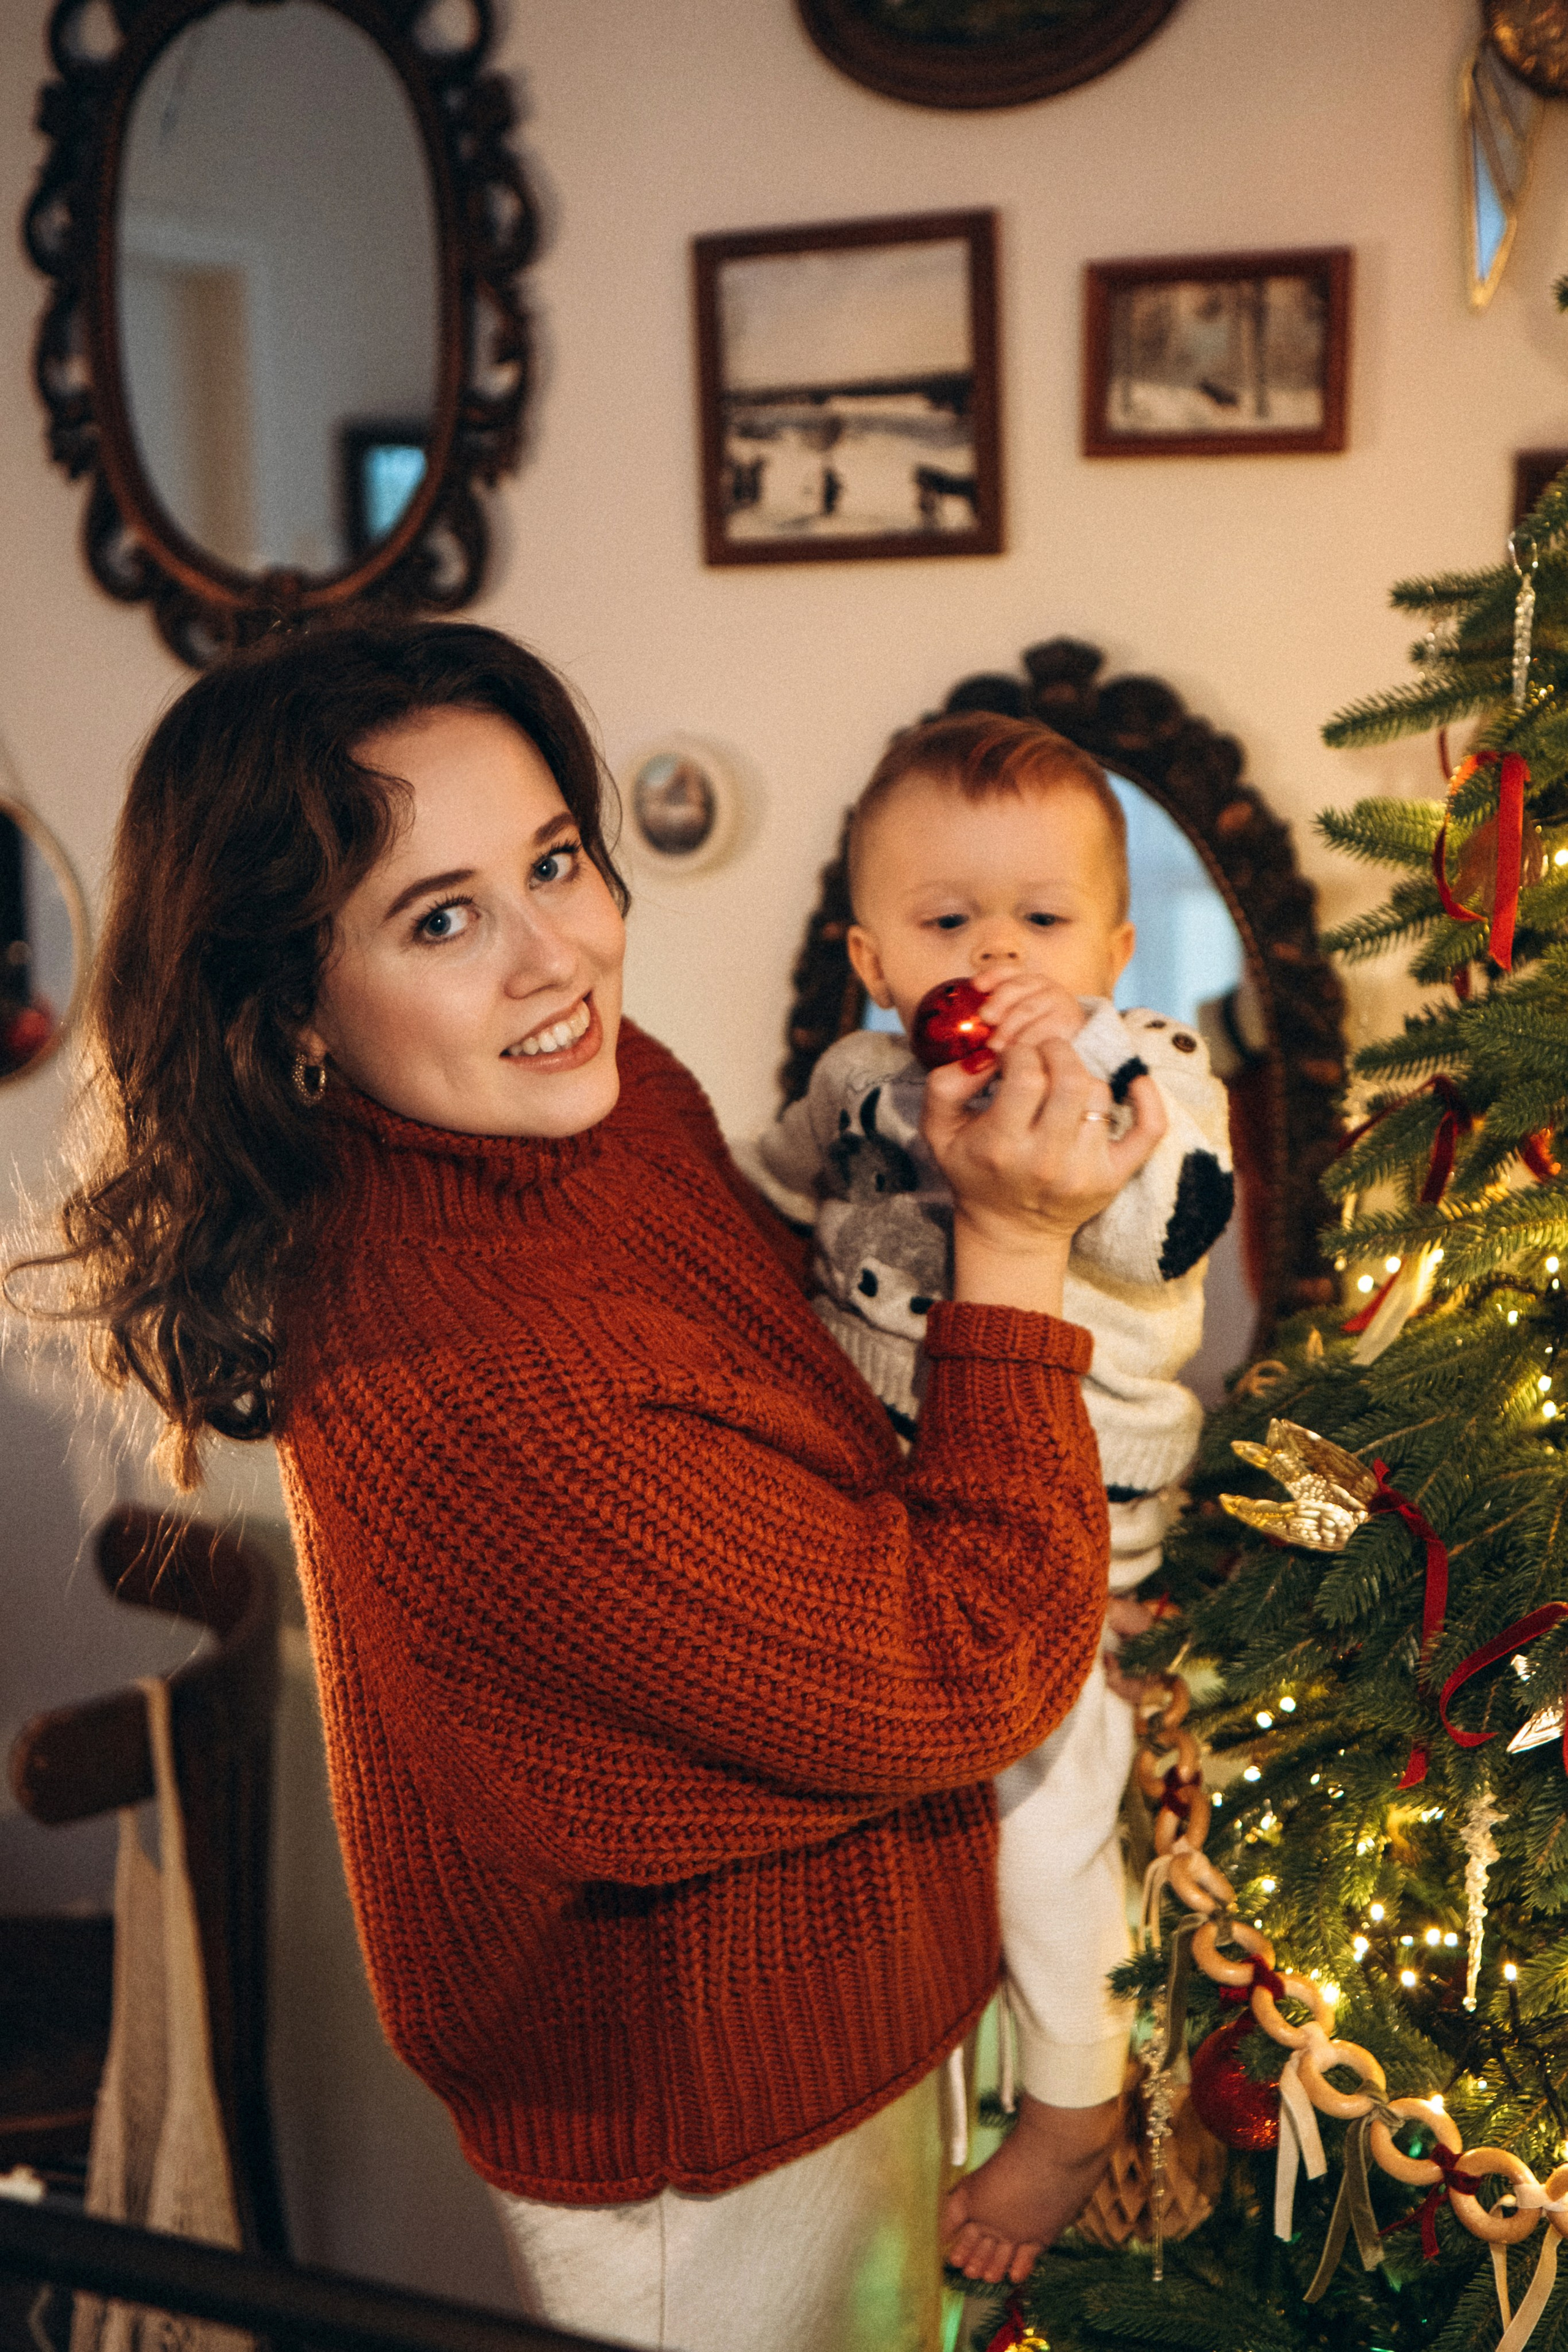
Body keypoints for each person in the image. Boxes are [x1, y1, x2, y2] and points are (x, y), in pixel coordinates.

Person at [6, 625, 1165, 2352]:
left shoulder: (585, 1119)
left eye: (555, 860)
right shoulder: (475, 1382)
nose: (561, 958)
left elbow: (774, 1408)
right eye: (442, 917)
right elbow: (968, 1663)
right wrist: (1013, 1241)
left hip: (830, 2021)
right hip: (717, 2126)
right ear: (291, 1006)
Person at [739, 711, 1233, 2285]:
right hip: (883, 1503)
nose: (996, 954)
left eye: (1040, 919)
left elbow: (1162, 1238)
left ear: (1115, 943)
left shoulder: (1143, 1071)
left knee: (1042, 1812)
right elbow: (762, 1196)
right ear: (871, 954)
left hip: (1061, 1515)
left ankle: (1073, 2103)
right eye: (947, 923)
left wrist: (1062, 1110)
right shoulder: (857, 1074)